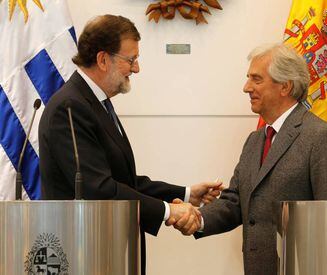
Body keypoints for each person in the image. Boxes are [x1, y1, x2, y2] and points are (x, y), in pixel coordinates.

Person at [38, 14, 221, 275]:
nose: (136, 69)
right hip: (84, 255)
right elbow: (98, 189)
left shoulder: (95, 103)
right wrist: (170, 212)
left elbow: (122, 181)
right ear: (103, 60)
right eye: (131, 59)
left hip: (108, 252)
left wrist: (187, 192)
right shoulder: (69, 108)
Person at [171, 43, 327, 274]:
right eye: (248, 78)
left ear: (285, 86)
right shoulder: (255, 140)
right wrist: (197, 218)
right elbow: (235, 201)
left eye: (256, 79)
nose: (246, 87)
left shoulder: (321, 137)